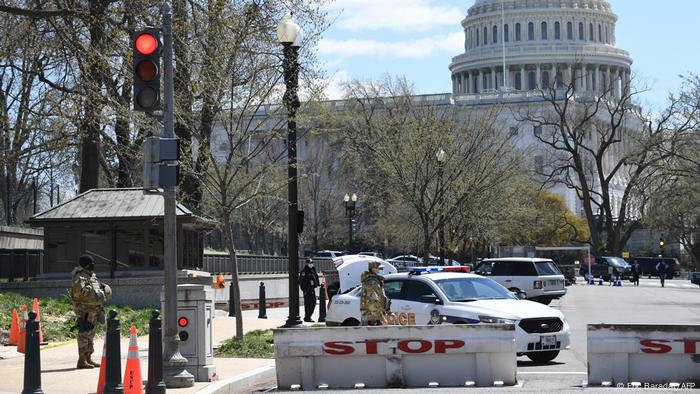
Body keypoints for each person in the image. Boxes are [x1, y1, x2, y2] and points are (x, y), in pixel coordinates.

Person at [71, 255, 110, 369]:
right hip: (85, 310)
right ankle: (81, 360)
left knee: (91, 334)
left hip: (94, 309)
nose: (93, 264)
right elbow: (79, 293)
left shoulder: (91, 275)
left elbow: (96, 289)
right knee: (84, 333)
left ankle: (88, 358)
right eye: (91, 263)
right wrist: (88, 287)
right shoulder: (79, 276)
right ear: (86, 264)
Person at [360, 261, 389, 326]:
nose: (379, 270)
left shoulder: (375, 281)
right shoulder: (372, 282)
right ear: (373, 269)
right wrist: (381, 318)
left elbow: (381, 299)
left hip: (373, 317)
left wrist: (388, 312)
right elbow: (372, 302)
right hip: (372, 318)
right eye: (378, 268)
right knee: (373, 335)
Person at [299, 258, 320, 323]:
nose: (311, 264)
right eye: (310, 263)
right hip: (307, 290)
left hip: (312, 289)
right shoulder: (304, 272)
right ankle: (307, 317)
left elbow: (316, 277)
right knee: (308, 304)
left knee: (313, 303)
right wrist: (305, 290)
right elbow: (301, 282)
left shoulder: (312, 270)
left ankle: (309, 316)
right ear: (307, 264)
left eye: (312, 263)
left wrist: (317, 284)